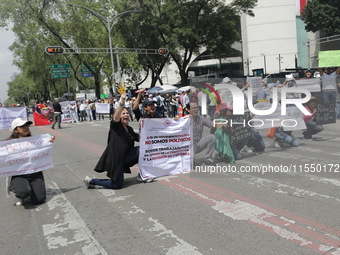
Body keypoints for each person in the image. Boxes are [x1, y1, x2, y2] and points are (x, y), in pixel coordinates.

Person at [84, 93, 140, 189]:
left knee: (142, 150)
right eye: (123, 113)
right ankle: (92, 181)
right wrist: (122, 103)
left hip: (125, 157)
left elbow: (140, 138)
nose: (126, 115)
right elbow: (115, 118)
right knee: (117, 185)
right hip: (115, 159)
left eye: (127, 113)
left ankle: (143, 174)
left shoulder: (129, 129)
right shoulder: (115, 127)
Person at [6, 118, 47, 206]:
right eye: (22, 126)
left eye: (27, 125)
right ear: (16, 130)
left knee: (39, 200)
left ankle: (32, 188)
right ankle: (20, 191)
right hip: (19, 175)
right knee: (23, 192)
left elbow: (44, 148)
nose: (26, 128)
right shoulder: (8, 145)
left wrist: (49, 141)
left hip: (35, 174)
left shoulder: (35, 141)